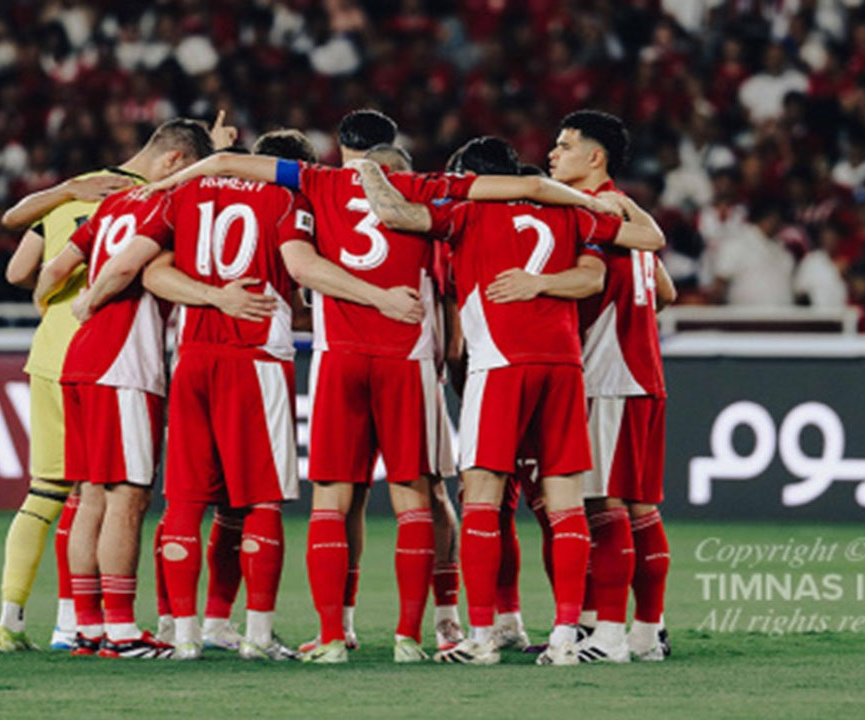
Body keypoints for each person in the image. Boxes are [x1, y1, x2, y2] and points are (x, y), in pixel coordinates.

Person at [135, 109, 618, 663]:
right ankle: (416, 635)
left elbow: (240, 185)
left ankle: (329, 635)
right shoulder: (427, 189)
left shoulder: (316, 183)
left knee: (331, 500)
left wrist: (172, 181)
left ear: (347, 151)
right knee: (421, 498)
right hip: (411, 360)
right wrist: (590, 202)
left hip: (336, 357)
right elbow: (531, 192)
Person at [353, 134, 663, 666]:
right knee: (566, 500)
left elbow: (395, 215)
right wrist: (579, 235)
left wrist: (363, 169)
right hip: (564, 363)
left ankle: (482, 636)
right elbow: (631, 252)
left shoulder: (466, 210)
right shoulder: (571, 213)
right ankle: (566, 637)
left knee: (482, 494)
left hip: (500, 361)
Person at [140, 129, 429, 661]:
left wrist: (211, 297)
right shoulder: (288, 199)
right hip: (256, 356)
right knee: (262, 500)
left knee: (184, 501)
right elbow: (299, 267)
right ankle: (257, 635)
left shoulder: (190, 192)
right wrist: (377, 299)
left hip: (193, 356)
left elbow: (151, 269)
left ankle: (183, 636)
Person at [29, 118, 215, 658]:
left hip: (80, 360)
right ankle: (123, 630)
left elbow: (52, 272)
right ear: (175, 161)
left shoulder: (111, 205)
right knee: (126, 499)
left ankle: (87, 626)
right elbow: (129, 265)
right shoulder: (164, 204)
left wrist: (56, 307)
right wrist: (94, 300)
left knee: (90, 496)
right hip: (123, 365)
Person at [0, 125, 169, 652]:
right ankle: (77, 622)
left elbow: (18, 270)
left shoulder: (77, 191)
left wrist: (51, 290)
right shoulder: (155, 199)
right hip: (106, 353)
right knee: (105, 493)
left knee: (49, 493)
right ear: (173, 160)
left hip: (49, 353)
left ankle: (12, 621)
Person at [544, 110, 675, 662]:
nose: (553, 154)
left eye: (564, 145)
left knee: (604, 504)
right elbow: (665, 291)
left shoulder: (593, 214)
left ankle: (611, 636)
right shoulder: (624, 211)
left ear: (595, 157)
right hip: (644, 374)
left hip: (609, 374)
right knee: (641, 508)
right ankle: (647, 632)